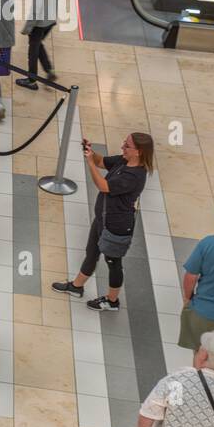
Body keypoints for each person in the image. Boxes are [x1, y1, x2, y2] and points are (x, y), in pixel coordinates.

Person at [53, 131, 155, 311]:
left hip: (116, 227)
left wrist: (90, 163)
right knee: (91, 252)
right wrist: (91, 154)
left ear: (139, 152)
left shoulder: (135, 176)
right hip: (103, 219)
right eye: (124, 142)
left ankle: (112, 301)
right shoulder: (124, 160)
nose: (123, 146)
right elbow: (102, 162)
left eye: (127, 145)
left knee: (113, 263)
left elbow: (103, 185)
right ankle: (76, 286)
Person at [180, 199, 214, 351]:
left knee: (201, 358)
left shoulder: (208, 244)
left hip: (204, 314)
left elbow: (191, 276)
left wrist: (188, 298)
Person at [15, 0, 61, 90]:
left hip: (39, 23)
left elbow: (37, 7)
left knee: (32, 51)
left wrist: (28, 27)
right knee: (38, 44)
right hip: (50, 20)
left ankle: (31, 80)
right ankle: (49, 71)